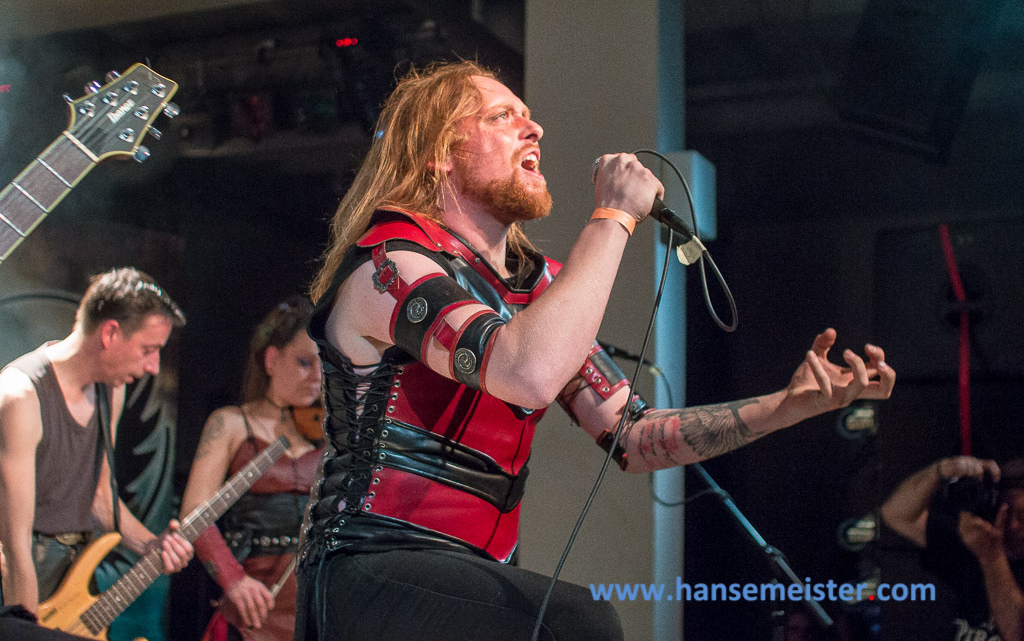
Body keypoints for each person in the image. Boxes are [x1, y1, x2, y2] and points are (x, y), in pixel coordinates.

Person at [295, 60, 896, 641]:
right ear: (438, 153)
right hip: (369, 563)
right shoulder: (389, 265)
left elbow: (635, 436)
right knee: (578, 624)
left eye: (528, 115)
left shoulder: (536, 291)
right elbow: (524, 371)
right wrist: (612, 216)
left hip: (470, 572)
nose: (534, 128)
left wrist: (788, 406)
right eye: (502, 116)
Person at [0, 267, 193, 618]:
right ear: (110, 333)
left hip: (68, 579)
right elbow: (15, 547)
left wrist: (151, 546)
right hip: (18, 585)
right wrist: (27, 628)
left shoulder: (111, 390)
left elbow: (100, 498)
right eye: (148, 349)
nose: (154, 366)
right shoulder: (20, 395)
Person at [182, 297, 322, 640]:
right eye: (305, 362)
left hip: (314, 608)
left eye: (324, 364)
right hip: (253, 606)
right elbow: (195, 514)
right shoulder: (230, 423)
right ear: (272, 360)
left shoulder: (329, 433)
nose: (317, 377)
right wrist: (234, 580)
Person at [880, 456, 1024, 641]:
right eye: (1006, 512)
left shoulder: (987, 550)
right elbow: (896, 515)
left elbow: (1017, 634)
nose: (1013, 525)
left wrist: (992, 558)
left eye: (1023, 516)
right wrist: (941, 471)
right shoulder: (978, 541)